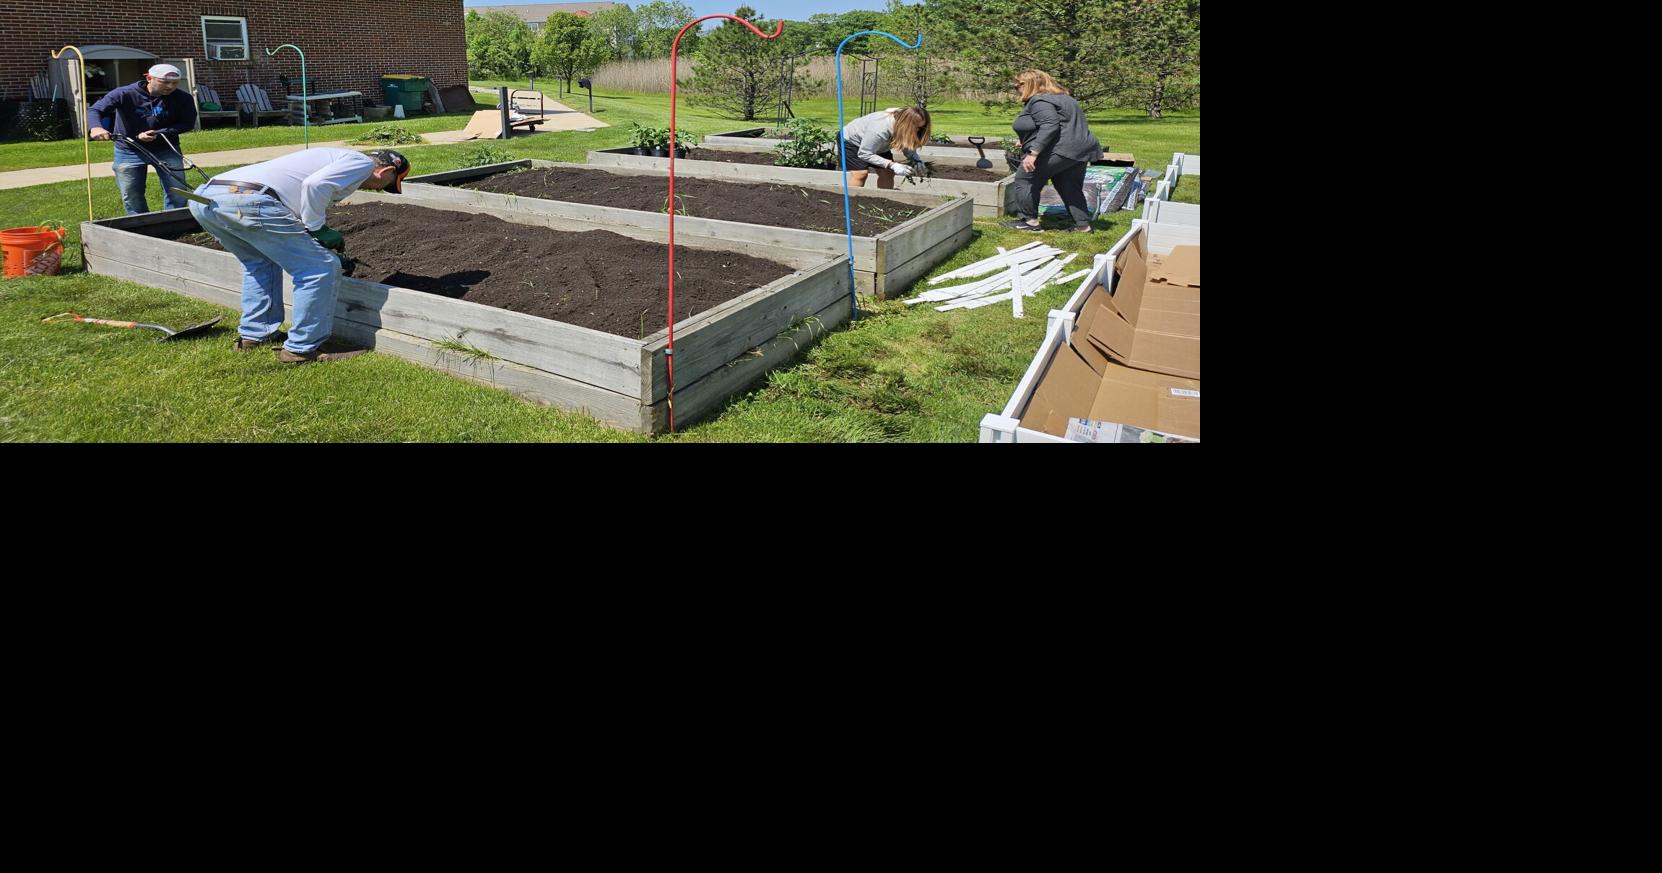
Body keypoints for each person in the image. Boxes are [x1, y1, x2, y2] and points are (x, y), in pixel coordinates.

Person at [187, 147, 410, 364]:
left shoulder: (332, 157)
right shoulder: (360, 163)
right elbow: (315, 185)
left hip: (206, 199)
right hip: (249, 200)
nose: (380, 190)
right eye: (388, 185)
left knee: (259, 263)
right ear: (386, 171)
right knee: (320, 269)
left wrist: (314, 236)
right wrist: (318, 229)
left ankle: (255, 335)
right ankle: (302, 349)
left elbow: (292, 208)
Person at [86, 64, 198, 215]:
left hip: (166, 149)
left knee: (177, 191)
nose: (170, 86)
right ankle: (140, 225)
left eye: (175, 82)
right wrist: (95, 127)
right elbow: (95, 110)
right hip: (129, 151)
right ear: (149, 78)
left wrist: (159, 133)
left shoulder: (183, 98)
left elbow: (187, 123)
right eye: (164, 82)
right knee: (131, 194)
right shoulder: (124, 93)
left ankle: (174, 222)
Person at [1004, 69, 1102, 233]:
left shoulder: (1039, 101)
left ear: (1029, 84)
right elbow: (1062, 124)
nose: (1015, 87)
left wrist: (1033, 153)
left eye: (1018, 84)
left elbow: (1050, 125)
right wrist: (1026, 139)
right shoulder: (1065, 98)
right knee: (1069, 184)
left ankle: (1030, 222)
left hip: (1061, 149)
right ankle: (1082, 225)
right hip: (1079, 150)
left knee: (1025, 179)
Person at [841, 106, 932, 189]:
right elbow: (864, 153)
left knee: (888, 173)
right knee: (860, 174)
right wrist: (892, 164)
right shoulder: (879, 129)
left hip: (880, 145)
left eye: (920, 128)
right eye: (915, 127)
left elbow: (906, 143)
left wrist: (915, 160)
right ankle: (853, 201)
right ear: (905, 124)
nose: (917, 130)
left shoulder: (903, 123)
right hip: (852, 141)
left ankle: (884, 200)